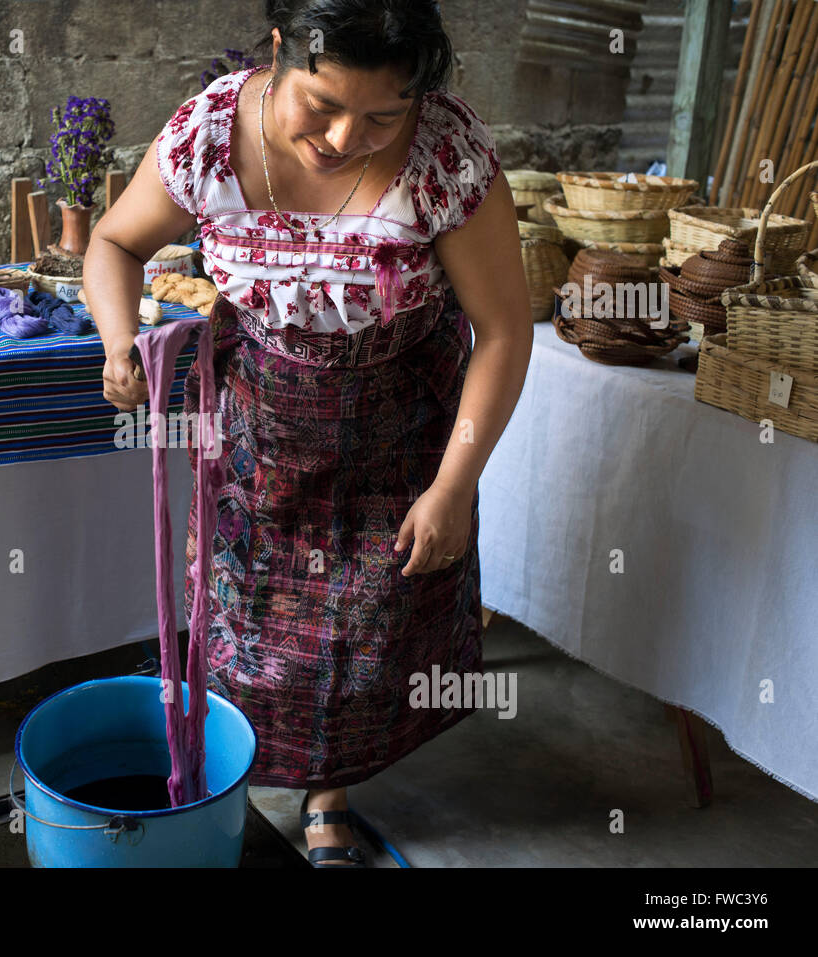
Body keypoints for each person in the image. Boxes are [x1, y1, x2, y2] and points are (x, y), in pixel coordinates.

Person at [84, 0, 532, 866]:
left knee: (368, 642)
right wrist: (117, 340)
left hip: (398, 435)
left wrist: (453, 488)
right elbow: (113, 242)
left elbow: (504, 328)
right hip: (258, 431)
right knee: (243, 622)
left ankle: (329, 795)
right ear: (282, 50)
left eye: (380, 117)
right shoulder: (211, 132)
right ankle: (226, 779)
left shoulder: (446, 155)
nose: (340, 137)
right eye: (319, 105)